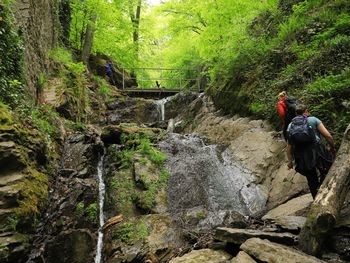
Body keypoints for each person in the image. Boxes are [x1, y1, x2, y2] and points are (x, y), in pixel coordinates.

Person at [286, 104, 336, 198]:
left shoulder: (290, 125)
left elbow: (289, 147)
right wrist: (332, 148)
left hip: (302, 154)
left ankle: (316, 199)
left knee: (311, 179)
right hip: (317, 150)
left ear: (296, 114)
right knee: (326, 170)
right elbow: (328, 136)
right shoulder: (313, 120)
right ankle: (326, 194)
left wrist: (290, 161)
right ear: (306, 111)